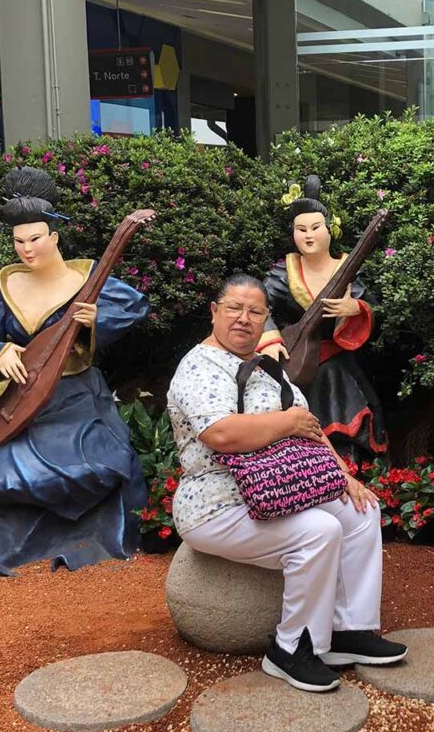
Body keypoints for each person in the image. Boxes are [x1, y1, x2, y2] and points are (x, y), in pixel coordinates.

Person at [167, 274, 406, 692]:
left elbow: (310, 428)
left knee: (361, 512)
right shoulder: (198, 366)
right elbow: (220, 433)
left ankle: (347, 631)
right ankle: (291, 649)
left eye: (255, 311)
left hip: (278, 490)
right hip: (217, 505)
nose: (244, 319)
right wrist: (287, 422)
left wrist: (343, 477)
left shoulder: (267, 369)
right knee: (320, 530)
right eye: (234, 309)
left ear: (265, 320)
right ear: (214, 312)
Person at [0, 167, 149, 577]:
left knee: (91, 465)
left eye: (35, 239)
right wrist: (0, 354)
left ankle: (82, 536)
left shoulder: (83, 278)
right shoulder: (9, 285)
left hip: (76, 397)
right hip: (23, 397)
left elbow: (135, 306)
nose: (27, 250)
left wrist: (92, 321)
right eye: (18, 241)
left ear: (54, 237)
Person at [257, 175, 387, 462]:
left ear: (330, 230)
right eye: (300, 229)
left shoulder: (347, 269)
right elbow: (258, 305)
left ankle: (355, 471)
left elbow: (376, 307)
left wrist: (357, 309)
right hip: (298, 363)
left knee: (354, 416)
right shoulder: (284, 271)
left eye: (315, 227)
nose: (308, 235)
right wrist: (270, 339)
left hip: (340, 363)